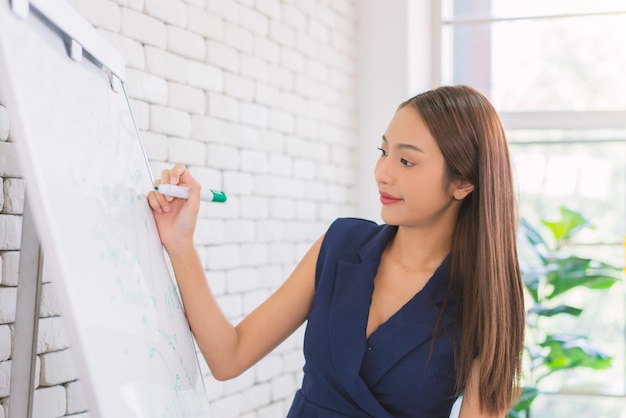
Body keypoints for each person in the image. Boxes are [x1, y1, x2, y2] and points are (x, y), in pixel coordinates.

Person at [147, 85, 525, 418]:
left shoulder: (486, 301)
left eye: (406, 161)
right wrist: (180, 244)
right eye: (383, 151)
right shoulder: (341, 244)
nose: (383, 172)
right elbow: (229, 356)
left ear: (462, 183)